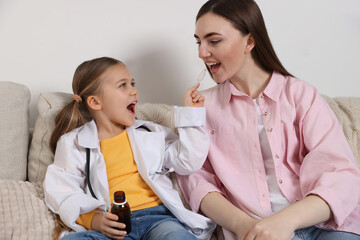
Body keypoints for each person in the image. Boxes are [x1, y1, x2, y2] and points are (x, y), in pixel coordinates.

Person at [177, 0, 360, 239]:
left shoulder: (301, 95)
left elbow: (341, 175)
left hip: (325, 225)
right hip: (255, 231)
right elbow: (195, 181)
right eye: (198, 42)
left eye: (213, 41)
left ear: (250, 41)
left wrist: (286, 221)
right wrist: (245, 226)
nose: (201, 52)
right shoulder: (202, 107)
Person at [43, 56, 216, 240]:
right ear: (95, 102)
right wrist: (96, 221)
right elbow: (62, 192)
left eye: (132, 83)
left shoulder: (149, 133)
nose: (134, 91)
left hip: (159, 221)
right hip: (113, 227)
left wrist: (191, 115)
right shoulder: (73, 143)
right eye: (123, 85)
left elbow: (188, 160)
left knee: (176, 236)